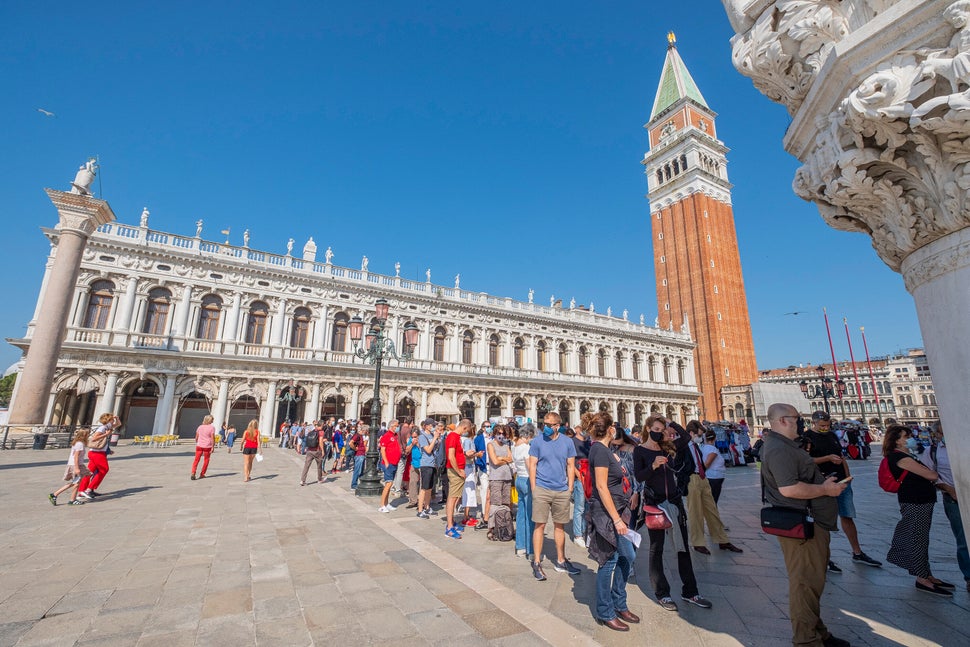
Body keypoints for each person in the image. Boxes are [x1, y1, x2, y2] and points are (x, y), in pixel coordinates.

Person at [762, 403, 849, 647]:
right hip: (801, 524)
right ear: (782, 421)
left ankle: (817, 632)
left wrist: (822, 482)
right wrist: (825, 489)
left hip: (809, 520)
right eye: (797, 418)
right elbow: (788, 488)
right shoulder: (779, 449)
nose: (801, 423)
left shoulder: (787, 446)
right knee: (805, 584)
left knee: (812, 582)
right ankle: (806, 641)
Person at [633, 415, 711, 612]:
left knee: (683, 547)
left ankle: (690, 592)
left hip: (674, 503)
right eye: (657, 429)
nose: (660, 432)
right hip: (655, 504)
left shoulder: (669, 447)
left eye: (662, 429)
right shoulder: (640, 450)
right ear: (648, 428)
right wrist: (653, 466)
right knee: (656, 549)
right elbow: (639, 475)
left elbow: (685, 437)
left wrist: (671, 423)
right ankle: (662, 593)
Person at [802, 410, 882, 571]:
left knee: (847, 516)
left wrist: (848, 475)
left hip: (842, 482)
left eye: (827, 425)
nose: (825, 427)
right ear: (814, 423)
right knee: (822, 521)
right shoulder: (807, 438)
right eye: (822, 425)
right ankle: (825, 556)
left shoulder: (832, 435)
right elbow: (805, 461)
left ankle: (857, 552)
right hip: (822, 483)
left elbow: (841, 456)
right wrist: (827, 458)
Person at [883, 424, 952, 596]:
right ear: (897, 441)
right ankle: (922, 578)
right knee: (917, 539)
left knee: (921, 537)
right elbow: (932, 475)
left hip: (921, 500)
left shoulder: (908, 455)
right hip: (914, 502)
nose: (910, 439)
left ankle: (927, 573)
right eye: (906, 437)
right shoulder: (900, 457)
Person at [585, 411, 639, 632]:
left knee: (628, 556)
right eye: (614, 426)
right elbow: (600, 486)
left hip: (617, 511)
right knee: (608, 562)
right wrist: (616, 520)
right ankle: (605, 611)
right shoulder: (599, 450)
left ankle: (619, 602)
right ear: (610, 429)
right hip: (607, 515)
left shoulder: (606, 450)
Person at [528, 412, 580, 581]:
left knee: (560, 526)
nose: (546, 428)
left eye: (550, 425)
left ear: (558, 426)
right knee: (540, 525)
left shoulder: (567, 442)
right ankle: (536, 561)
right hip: (542, 488)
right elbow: (533, 465)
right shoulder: (537, 441)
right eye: (544, 424)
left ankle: (561, 560)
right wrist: (534, 488)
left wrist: (570, 487)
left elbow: (571, 465)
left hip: (561, 489)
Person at [684, 420, 742, 555]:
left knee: (712, 510)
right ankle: (698, 542)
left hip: (703, 479)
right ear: (692, 433)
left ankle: (722, 539)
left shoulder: (697, 446)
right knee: (695, 512)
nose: (701, 437)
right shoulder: (684, 446)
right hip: (692, 479)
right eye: (699, 434)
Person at [929, 422, 970, 591]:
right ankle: (969, 576)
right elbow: (930, 475)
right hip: (953, 500)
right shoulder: (932, 451)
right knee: (963, 540)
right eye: (941, 433)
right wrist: (947, 488)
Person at [78, 413, 120, 500]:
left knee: (89, 472)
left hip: (97, 452)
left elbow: (119, 424)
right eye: (112, 420)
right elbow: (94, 438)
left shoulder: (108, 428)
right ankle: (89, 489)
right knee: (104, 469)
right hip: (97, 453)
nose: (113, 422)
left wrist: (117, 418)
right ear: (108, 420)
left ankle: (82, 491)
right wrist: (106, 434)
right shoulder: (102, 428)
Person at [49, 427, 91, 506]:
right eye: (88, 433)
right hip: (76, 465)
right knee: (76, 482)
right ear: (84, 435)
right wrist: (77, 468)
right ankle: (57, 495)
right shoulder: (80, 444)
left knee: (76, 482)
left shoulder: (78, 442)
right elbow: (76, 456)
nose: (89, 435)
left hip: (76, 464)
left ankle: (69, 498)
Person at [487, 424, 514, 540]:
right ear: (494, 433)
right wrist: (504, 460)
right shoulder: (490, 445)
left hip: (507, 477)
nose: (501, 436)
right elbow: (494, 461)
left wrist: (501, 458)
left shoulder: (506, 445)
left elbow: (511, 458)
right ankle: (491, 529)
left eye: (503, 433)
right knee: (495, 503)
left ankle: (504, 527)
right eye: (499, 433)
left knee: (506, 503)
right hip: (496, 477)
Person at [445, 420, 472, 538]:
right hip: (455, 471)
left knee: (456, 498)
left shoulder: (456, 437)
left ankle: (452, 522)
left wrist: (465, 454)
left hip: (458, 470)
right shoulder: (453, 436)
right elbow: (451, 456)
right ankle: (449, 527)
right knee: (452, 498)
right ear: (464, 428)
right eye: (467, 431)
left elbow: (456, 454)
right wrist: (459, 471)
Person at [513, 423, 536, 558]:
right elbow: (530, 467)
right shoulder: (526, 448)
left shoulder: (515, 446)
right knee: (530, 516)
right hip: (527, 480)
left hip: (519, 479)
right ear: (528, 435)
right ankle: (531, 548)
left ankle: (520, 546)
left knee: (521, 514)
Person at [570, 422, 591, 548]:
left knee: (588, 508)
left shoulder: (589, 442)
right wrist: (578, 475)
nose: (585, 430)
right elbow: (570, 462)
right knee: (579, 508)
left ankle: (585, 532)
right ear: (576, 428)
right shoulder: (572, 442)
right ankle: (578, 535)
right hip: (580, 478)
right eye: (583, 428)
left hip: (589, 478)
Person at [416, 419, 443, 519]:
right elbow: (428, 450)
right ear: (426, 426)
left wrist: (438, 439)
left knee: (430, 488)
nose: (434, 427)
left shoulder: (432, 435)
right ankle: (420, 510)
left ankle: (427, 507)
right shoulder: (422, 437)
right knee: (424, 488)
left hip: (433, 464)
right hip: (425, 464)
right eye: (432, 425)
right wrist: (435, 438)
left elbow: (436, 448)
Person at [379, 421, 402, 512]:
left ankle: (386, 503)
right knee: (388, 484)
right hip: (389, 463)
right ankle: (382, 505)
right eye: (396, 426)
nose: (397, 427)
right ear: (391, 426)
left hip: (394, 462)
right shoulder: (386, 436)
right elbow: (383, 450)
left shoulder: (395, 436)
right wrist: (386, 462)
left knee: (390, 483)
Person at [191, 415, 216, 480]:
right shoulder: (212, 428)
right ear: (210, 420)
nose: (213, 421)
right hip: (207, 446)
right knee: (206, 460)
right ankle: (202, 474)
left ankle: (193, 472)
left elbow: (196, 437)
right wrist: (213, 446)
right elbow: (212, 438)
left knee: (196, 460)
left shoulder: (200, 427)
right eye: (212, 420)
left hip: (199, 445)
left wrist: (198, 442)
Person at [300, 422, 325, 486]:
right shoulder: (321, 432)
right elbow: (320, 441)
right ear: (322, 425)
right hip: (317, 451)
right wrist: (322, 450)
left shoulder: (312, 431)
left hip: (309, 450)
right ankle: (319, 479)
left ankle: (302, 480)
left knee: (306, 466)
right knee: (319, 466)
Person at [405, 427, 422, 509]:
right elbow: (407, 451)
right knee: (412, 482)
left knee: (422, 484)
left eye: (415, 436)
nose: (414, 438)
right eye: (413, 436)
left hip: (422, 463)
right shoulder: (411, 440)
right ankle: (413, 500)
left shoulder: (422, 439)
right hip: (414, 463)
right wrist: (412, 444)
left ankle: (422, 502)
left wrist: (418, 444)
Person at [349, 423, 366, 490]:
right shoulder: (357, 435)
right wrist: (355, 448)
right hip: (359, 455)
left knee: (361, 471)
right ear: (363, 430)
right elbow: (351, 443)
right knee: (357, 470)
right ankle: (354, 485)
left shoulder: (360, 436)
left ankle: (360, 483)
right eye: (365, 431)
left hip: (361, 454)